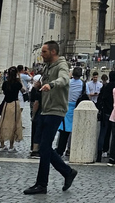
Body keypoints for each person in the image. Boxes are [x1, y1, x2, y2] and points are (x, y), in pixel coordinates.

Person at [23, 41, 78, 195]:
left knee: (45, 146)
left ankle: (42, 184)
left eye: (44, 52)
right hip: (46, 109)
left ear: (53, 52)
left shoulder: (62, 65)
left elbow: (64, 79)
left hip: (56, 110)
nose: (42, 54)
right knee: (42, 146)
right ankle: (67, 172)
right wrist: (39, 84)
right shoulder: (47, 66)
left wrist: (51, 85)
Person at [56, 66, 84, 157]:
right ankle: (71, 149)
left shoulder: (68, 82)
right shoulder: (83, 84)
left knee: (64, 131)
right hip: (77, 107)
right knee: (76, 131)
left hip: (66, 106)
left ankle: (60, 149)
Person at [0, 66, 24, 152]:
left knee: (3, 123)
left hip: (6, 104)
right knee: (14, 124)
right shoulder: (18, 84)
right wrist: (19, 79)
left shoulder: (5, 83)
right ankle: (11, 146)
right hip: (15, 104)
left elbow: (5, 93)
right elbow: (23, 90)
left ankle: (2, 144)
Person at [95, 70, 115, 162]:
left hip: (105, 112)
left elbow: (100, 99)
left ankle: (99, 153)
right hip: (114, 112)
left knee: (102, 133)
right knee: (114, 134)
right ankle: (111, 153)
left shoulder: (105, 87)